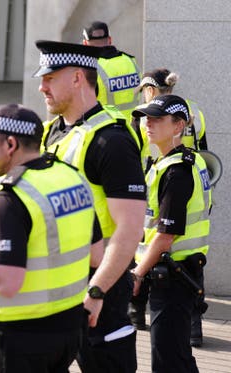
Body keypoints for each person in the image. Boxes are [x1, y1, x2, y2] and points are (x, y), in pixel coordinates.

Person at [0, 103, 104, 372]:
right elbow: (97, 255)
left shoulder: (9, 197)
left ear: (10, 144)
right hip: (69, 328)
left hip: (20, 338)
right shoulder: (71, 178)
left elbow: (6, 282)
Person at [35, 40, 147, 373]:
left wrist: (98, 289)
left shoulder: (111, 141)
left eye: (50, 77)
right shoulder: (51, 132)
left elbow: (129, 229)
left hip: (99, 289)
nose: (41, 86)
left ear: (77, 77)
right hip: (57, 285)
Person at [129, 69, 210, 346]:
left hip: (175, 272)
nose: (148, 124)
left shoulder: (176, 172)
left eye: (156, 119)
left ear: (177, 126)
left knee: (168, 359)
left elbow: (166, 235)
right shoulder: (183, 163)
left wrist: (137, 274)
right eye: (147, 119)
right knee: (177, 357)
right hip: (178, 269)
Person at [133, 68, 209, 170]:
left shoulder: (141, 115)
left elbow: (131, 153)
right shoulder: (195, 112)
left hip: (153, 178)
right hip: (187, 174)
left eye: (144, 92)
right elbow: (203, 152)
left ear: (150, 91)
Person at [82, 21, 141, 122]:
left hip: (108, 131)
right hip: (134, 128)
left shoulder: (91, 69)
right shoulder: (130, 60)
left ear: (85, 44)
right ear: (109, 40)